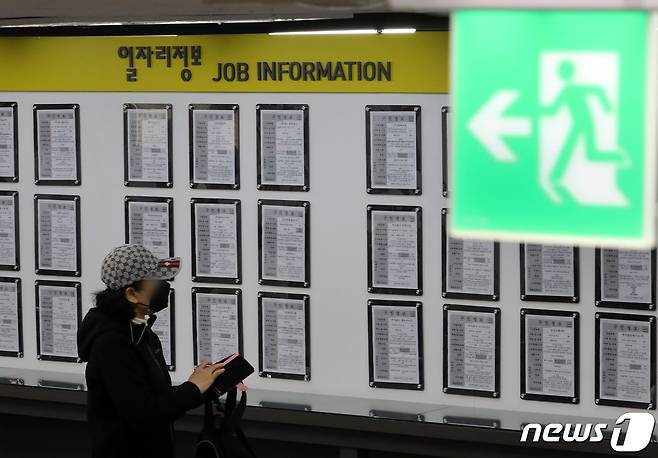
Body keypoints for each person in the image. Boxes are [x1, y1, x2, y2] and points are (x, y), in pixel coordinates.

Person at [77, 244, 225, 458]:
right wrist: (193, 388)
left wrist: (201, 384)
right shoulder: (111, 345)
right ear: (131, 294)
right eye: (155, 281)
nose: (163, 286)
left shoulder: (139, 332)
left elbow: (156, 397)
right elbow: (145, 414)